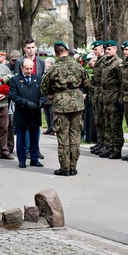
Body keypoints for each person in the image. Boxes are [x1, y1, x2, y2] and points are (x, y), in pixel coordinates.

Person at [41, 42, 89, 176]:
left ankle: (65, 167)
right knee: (75, 136)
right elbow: (86, 82)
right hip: (77, 103)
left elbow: (44, 88)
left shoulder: (53, 68)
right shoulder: (78, 66)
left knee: (63, 137)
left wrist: (56, 91)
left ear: (56, 53)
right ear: (67, 51)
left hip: (61, 103)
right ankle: (73, 167)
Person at [9, 58, 46, 168]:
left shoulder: (38, 79)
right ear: (22, 68)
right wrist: (25, 103)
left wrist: (41, 102)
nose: (29, 71)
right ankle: (22, 160)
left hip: (35, 112)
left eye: (31, 68)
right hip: (22, 112)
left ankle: (34, 158)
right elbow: (14, 96)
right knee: (21, 138)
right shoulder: (15, 80)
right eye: (27, 69)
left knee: (35, 138)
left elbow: (43, 94)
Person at [98, 40, 124, 159]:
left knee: (115, 125)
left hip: (114, 96)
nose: (107, 51)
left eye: (109, 49)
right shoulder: (106, 62)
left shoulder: (117, 63)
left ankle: (117, 148)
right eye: (106, 49)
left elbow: (122, 82)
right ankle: (109, 146)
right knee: (107, 124)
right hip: (106, 95)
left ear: (115, 50)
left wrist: (120, 98)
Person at [89, 41, 107, 152]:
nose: (94, 51)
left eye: (96, 49)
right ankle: (100, 142)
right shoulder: (98, 60)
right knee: (98, 120)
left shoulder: (104, 60)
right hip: (96, 93)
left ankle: (105, 143)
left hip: (103, 93)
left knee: (103, 120)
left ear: (101, 49)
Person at [43, 56, 56, 134]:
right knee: (46, 114)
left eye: (47, 63)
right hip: (45, 97)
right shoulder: (44, 73)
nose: (46, 65)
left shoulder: (53, 73)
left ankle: (53, 128)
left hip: (52, 96)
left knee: (52, 114)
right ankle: (49, 127)